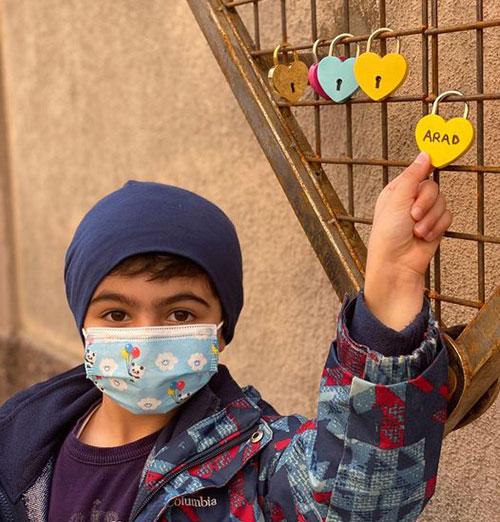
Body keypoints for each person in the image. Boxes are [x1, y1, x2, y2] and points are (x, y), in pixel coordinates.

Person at [0, 151, 451, 522]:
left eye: (179, 313)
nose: (147, 335)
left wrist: (390, 286)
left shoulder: (256, 465)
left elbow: (361, 497)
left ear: (220, 329)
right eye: (117, 313)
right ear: (84, 324)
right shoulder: (21, 445)